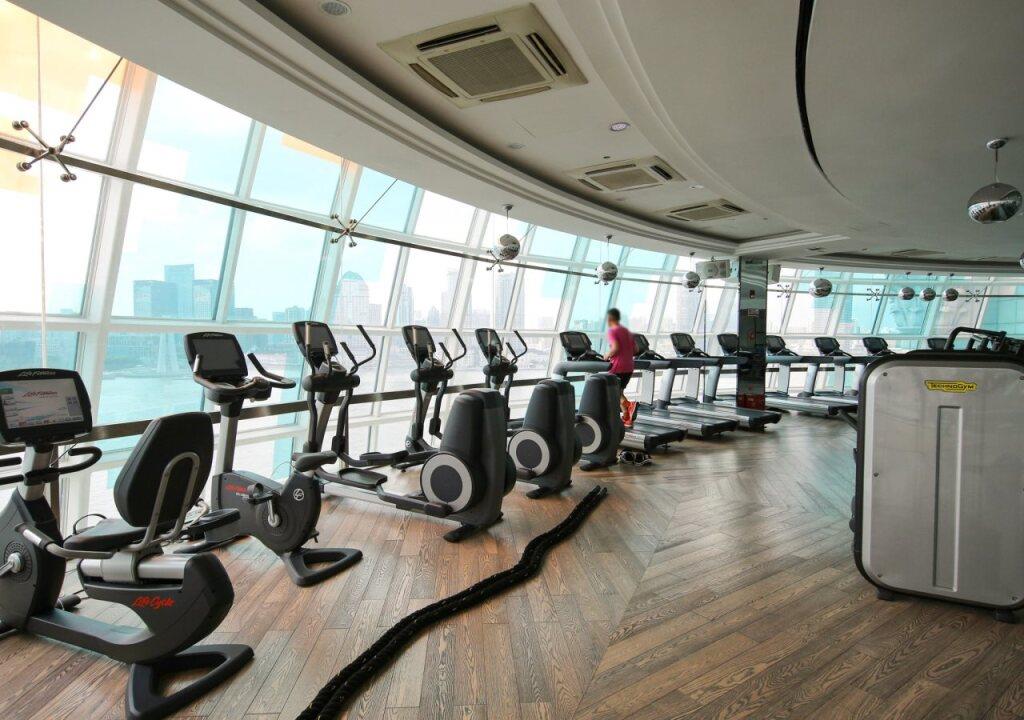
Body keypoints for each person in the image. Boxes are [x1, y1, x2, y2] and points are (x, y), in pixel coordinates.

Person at [604, 308, 638, 427]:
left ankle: (629, 405)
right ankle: (627, 417)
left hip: (618, 366)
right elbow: (636, 350)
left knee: (614, 391)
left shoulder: (612, 331)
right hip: (629, 366)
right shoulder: (627, 331)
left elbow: (615, 347)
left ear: (610, 319)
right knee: (619, 392)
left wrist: (607, 355)